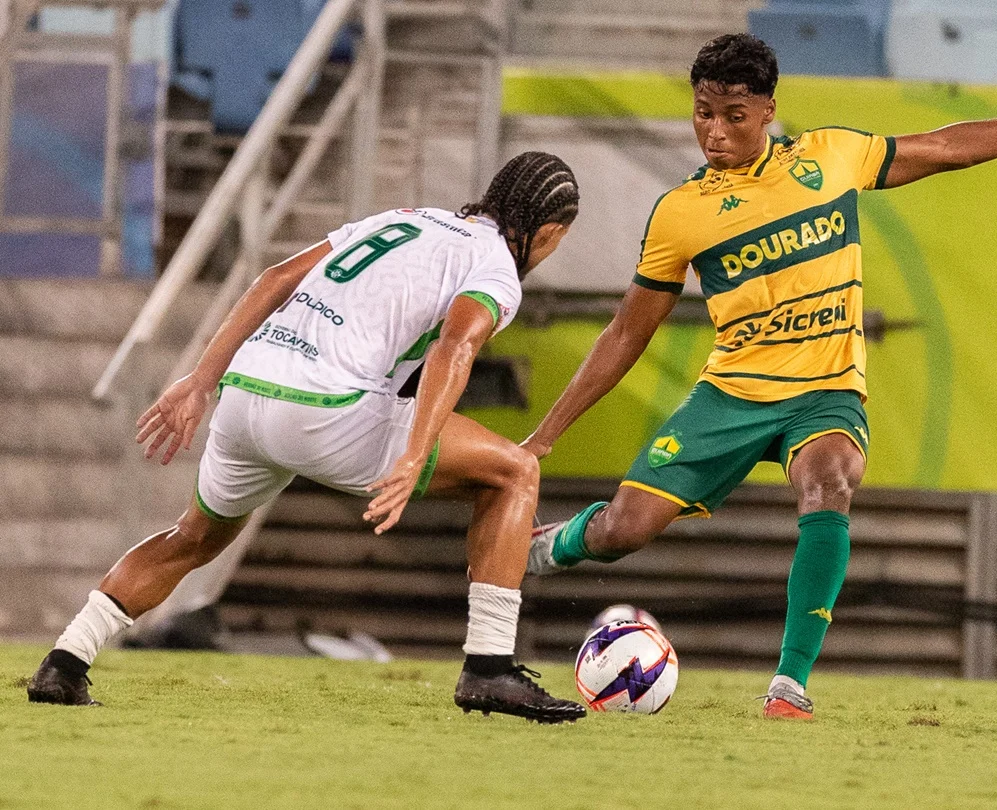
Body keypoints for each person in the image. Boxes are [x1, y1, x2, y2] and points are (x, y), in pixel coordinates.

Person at [522, 35, 997, 720]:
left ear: (768, 110)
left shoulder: (831, 157)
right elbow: (627, 332)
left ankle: (790, 683)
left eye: (734, 116)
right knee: (623, 531)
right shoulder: (680, 212)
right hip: (733, 395)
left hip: (825, 392)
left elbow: (947, 146)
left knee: (830, 479)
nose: (715, 132)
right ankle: (552, 547)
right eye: (703, 114)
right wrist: (546, 433)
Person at [28, 151, 587, 724]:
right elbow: (455, 345)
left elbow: (274, 279)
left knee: (190, 538)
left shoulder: (402, 218)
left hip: (245, 393)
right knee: (515, 472)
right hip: (327, 412)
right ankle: (489, 667)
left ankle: (65, 662)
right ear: (548, 232)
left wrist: (200, 381)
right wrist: (415, 453)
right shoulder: (494, 265)